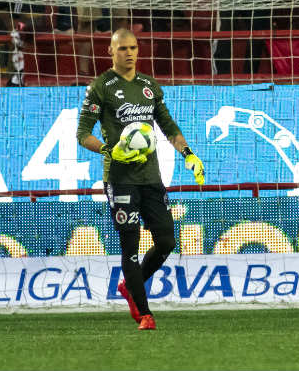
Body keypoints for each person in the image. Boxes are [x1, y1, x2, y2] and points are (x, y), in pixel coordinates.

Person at [76, 28, 206, 331]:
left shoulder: (149, 86)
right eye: (123, 48)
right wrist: (111, 150)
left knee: (166, 241)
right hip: (120, 179)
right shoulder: (101, 87)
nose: (130, 53)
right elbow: (82, 134)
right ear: (111, 51)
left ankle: (130, 286)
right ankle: (145, 313)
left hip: (151, 177)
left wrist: (189, 154)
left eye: (133, 47)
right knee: (130, 247)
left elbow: (167, 124)